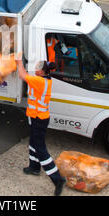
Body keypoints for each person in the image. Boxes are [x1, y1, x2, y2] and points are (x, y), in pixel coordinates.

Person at [15, 57, 66, 196]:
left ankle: (57, 179)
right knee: (33, 143)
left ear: (43, 72)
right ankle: (34, 167)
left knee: (40, 149)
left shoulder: (39, 81)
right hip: (37, 117)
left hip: (39, 119)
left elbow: (22, 75)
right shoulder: (44, 79)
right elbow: (26, 75)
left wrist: (18, 62)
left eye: (37, 68)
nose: (35, 70)